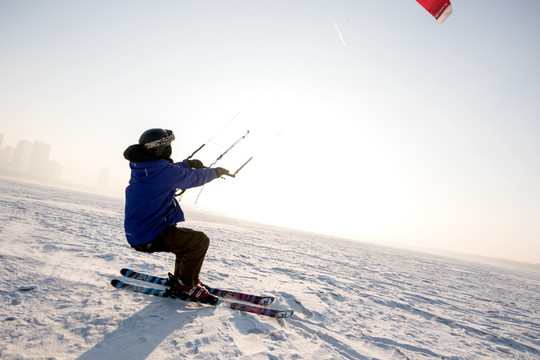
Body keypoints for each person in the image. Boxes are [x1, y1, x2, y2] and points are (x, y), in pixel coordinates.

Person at [123, 128, 229, 302]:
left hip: (139, 232)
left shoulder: (142, 166)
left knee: (186, 243)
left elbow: (167, 170)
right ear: (161, 149)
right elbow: (192, 178)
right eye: (168, 146)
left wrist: (187, 164)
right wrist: (215, 172)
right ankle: (187, 285)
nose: (169, 149)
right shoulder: (162, 170)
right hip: (149, 235)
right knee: (199, 241)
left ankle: (184, 280)